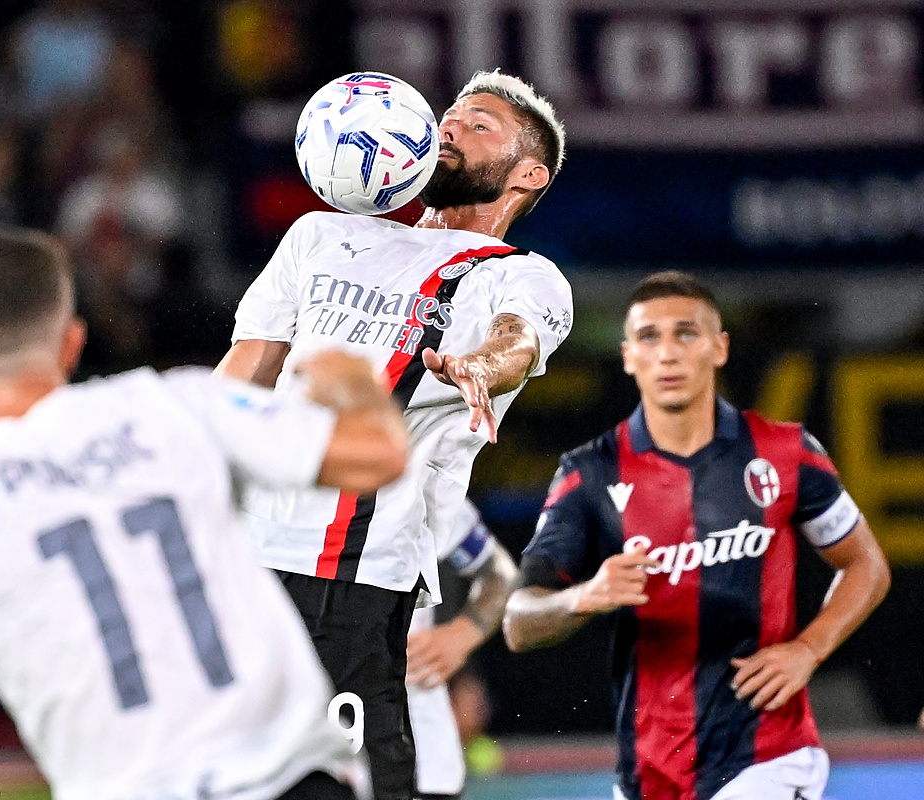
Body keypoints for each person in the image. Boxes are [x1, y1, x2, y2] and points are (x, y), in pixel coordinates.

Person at [0, 230, 414, 800]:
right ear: (71, 343)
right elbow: (379, 457)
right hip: (294, 780)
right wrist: (352, 379)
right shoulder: (177, 404)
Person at [217, 69, 573, 799]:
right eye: (449, 117)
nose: (450, 129)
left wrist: (478, 366)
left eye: (479, 125)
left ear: (528, 174)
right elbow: (243, 373)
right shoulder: (320, 234)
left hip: (351, 574)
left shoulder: (521, 277)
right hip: (241, 557)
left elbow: (517, 341)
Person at [502, 271, 891, 800]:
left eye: (686, 333)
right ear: (628, 357)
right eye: (649, 337)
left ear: (720, 348)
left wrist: (808, 649)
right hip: (647, 773)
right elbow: (519, 621)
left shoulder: (785, 453)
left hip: (768, 757)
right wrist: (582, 597)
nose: (668, 353)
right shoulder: (589, 473)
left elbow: (865, 564)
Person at [405, 500, 518, 800]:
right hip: (311, 743)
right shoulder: (288, 492)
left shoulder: (428, 488)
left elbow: (498, 572)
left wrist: (460, 637)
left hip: (423, 754)